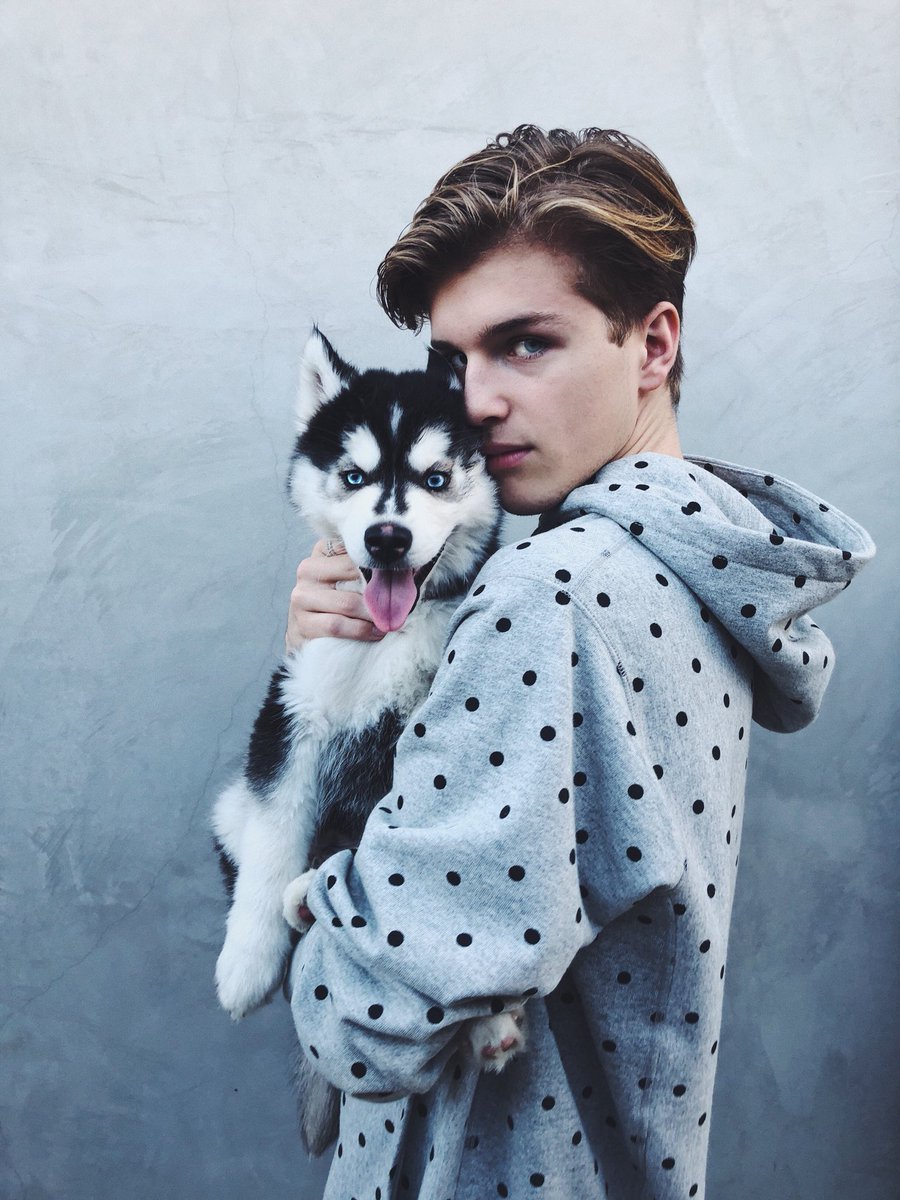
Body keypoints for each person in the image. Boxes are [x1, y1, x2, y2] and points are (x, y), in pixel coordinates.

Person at [285, 126, 874, 1199]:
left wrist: (312, 899)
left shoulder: (547, 598)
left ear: (653, 346)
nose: (475, 402)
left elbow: (371, 1022)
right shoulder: (699, 565)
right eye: (456, 361)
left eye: (525, 344)